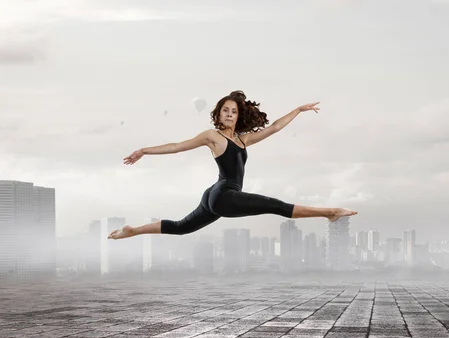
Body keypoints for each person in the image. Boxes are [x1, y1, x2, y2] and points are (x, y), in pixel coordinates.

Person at [108, 90, 357, 240]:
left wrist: (298, 110)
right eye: (225, 110)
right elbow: (177, 146)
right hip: (224, 195)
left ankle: (133, 231)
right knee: (275, 206)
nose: (229, 114)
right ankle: (330, 212)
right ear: (218, 114)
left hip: (215, 195)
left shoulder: (242, 139)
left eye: (233, 111)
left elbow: (275, 127)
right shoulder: (213, 137)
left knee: (182, 227)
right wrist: (144, 151)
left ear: (239, 116)